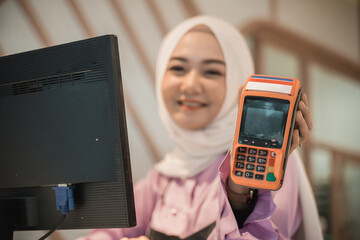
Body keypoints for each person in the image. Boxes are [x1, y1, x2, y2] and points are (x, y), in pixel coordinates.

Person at [78, 15, 314, 240]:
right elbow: (104, 233)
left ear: (236, 80)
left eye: (211, 71)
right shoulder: (163, 177)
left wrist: (240, 193)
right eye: (178, 68)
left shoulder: (269, 162)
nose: (190, 85)